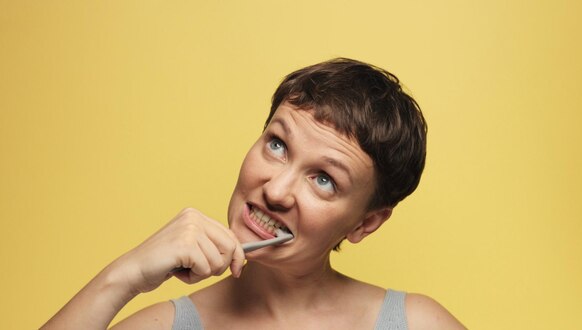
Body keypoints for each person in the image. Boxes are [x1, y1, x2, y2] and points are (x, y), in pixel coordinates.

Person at [43, 58, 465, 329]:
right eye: (278, 145)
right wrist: (124, 276)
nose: (277, 190)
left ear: (365, 222)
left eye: (323, 179)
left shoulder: (417, 323)